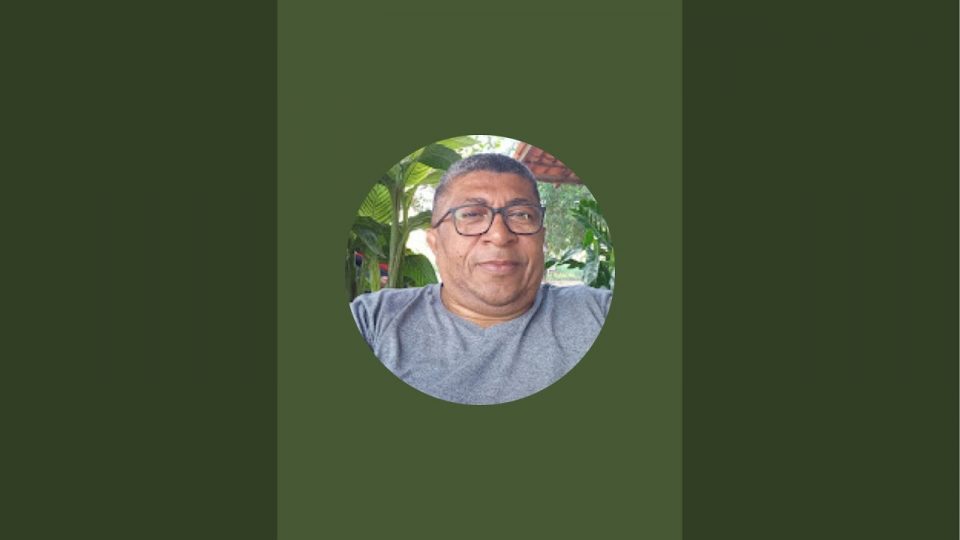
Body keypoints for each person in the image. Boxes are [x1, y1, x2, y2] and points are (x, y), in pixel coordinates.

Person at [350, 153, 612, 405]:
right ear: (435, 242)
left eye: (521, 215)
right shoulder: (374, 320)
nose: (499, 235)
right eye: (472, 214)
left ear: (541, 238)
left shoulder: (597, 313)